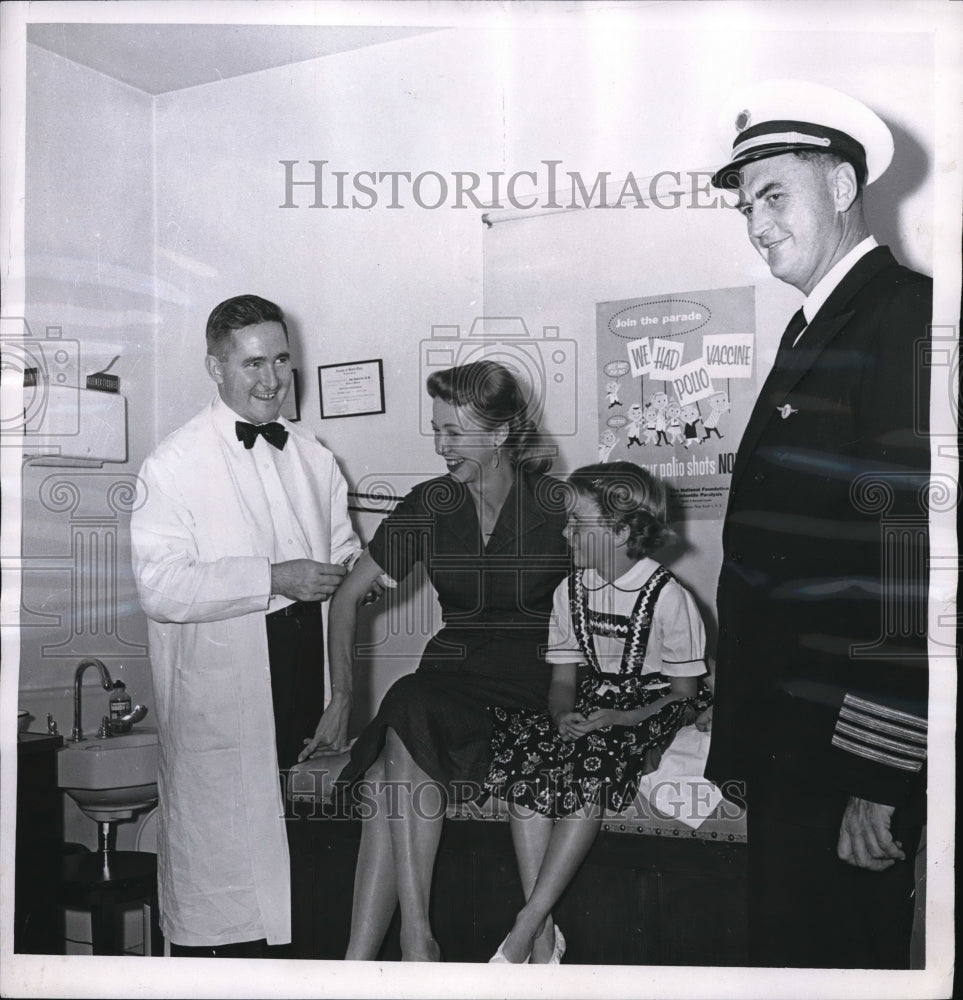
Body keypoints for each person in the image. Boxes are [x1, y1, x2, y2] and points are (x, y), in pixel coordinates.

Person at [704, 79, 932, 968]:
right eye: (745, 206)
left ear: (841, 187)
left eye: (773, 196)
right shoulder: (814, 329)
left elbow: (909, 561)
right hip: (792, 744)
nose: (756, 224)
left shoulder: (901, 316)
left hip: (845, 753)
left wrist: (878, 776)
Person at [300, 359, 570, 961]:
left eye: (454, 431)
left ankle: (377, 956)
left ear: (499, 434)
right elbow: (347, 598)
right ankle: (417, 935)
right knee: (408, 703)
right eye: (437, 429)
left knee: (386, 771)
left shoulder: (559, 506)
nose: (441, 445)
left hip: (536, 677)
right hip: (452, 676)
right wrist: (341, 698)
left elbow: (618, 603)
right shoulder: (430, 503)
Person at [131, 294, 362, 957]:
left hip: (305, 687)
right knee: (231, 914)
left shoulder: (315, 457)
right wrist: (272, 577)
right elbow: (161, 587)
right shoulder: (171, 465)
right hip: (224, 704)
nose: (271, 380)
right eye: (253, 363)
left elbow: (343, 555)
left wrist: (361, 576)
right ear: (215, 367)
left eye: (282, 360)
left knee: (309, 889)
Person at [484, 462, 711, 963]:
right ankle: (543, 933)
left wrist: (622, 720)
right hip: (595, 703)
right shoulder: (570, 591)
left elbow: (685, 694)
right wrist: (563, 714)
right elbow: (563, 680)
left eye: (577, 524)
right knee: (530, 760)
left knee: (593, 767)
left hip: (652, 707)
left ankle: (526, 923)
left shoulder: (670, 597)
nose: (566, 533)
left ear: (622, 530)